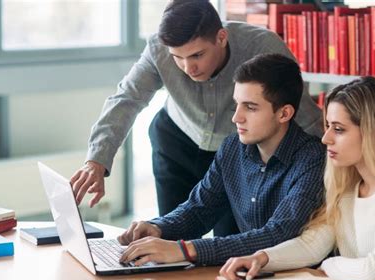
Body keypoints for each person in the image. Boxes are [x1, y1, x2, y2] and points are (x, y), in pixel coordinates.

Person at [70, 0, 322, 237]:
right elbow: (127, 98)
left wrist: (335, 166)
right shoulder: (158, 49)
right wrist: (97, 160)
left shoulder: (263, 48)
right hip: (176, 142)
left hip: (234, 154)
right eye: (177, 58)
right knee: (167, 232)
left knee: (231, 242)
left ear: (221, 38)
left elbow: (302, 112)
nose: (188, 68)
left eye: (197, 55)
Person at [219, 76, 375, 280]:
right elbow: (312, 245)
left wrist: (329, 264)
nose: (326, 138)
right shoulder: (348, 189)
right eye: (328, 126)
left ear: (373, 133)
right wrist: (261, 258)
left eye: (339, 129)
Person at [116, 53, 325, 267]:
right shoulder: (233, 147)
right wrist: (158, 228)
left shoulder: (313, 160)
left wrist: (185, 250)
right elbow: (199, 210)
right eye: (237, 105)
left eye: (250, 107)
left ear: (284, 114)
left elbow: (276, 236)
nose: (236, 117)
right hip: (248, 276)